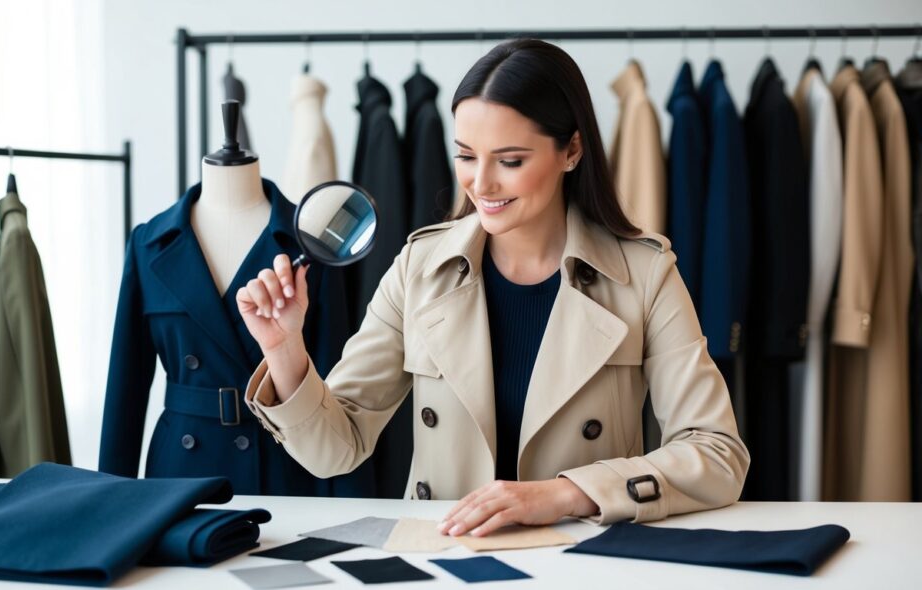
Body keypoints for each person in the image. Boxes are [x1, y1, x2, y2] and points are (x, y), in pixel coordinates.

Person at [236, 38, 749, 537]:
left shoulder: (643, 273)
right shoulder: (419, 268)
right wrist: (285, 351)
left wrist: (566, 493)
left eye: (510, 161)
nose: (481, 183)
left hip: (584, 560)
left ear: (571, 150)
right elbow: (336, 451)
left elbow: (717, 452)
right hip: (444, 556)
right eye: (465, 155)